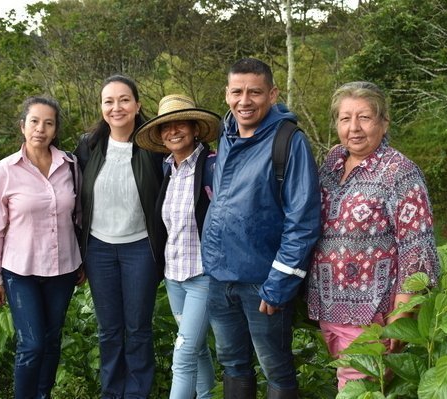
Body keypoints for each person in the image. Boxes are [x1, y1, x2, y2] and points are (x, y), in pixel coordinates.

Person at [306, 81, 440, 389]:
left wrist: (402, 317)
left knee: (357, 392)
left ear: (383, 122)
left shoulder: (400, 172)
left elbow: (417, 249)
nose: (354, 127)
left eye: (364, 117)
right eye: (345, 118)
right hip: (329, 308)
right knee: (351, 386)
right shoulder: (331, 163)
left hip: (373, 314)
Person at [200, 58, 321, 398]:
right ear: (226, 94)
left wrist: (280, 283)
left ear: (272, 93)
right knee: (233, 364)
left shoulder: (289, 140)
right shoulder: (226, 134)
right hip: (220, 279)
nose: (245, 100)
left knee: (276, 369)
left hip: (263, 281)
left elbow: (303, 220)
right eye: (237, 92)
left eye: (254, 92)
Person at [0, 95, 85, 399]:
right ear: (23, 126)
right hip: (20, 271)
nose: (41, 128)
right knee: (33, 344)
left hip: (63, 269)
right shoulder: (4, 170)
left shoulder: (70, 165)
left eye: (48, 123)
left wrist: (82, 260)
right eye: (35, 121)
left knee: (52, 341)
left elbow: (78, 217)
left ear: (55, 129)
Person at [73, 75, 164, 399]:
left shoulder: (154, 147)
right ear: (101, 107)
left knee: (138, 328)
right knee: (109, 330)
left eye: (124, 99)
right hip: (99, 250)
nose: (117, 107)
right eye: (109, 101)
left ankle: (137, 392)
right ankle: (112, 392)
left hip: (140, 248)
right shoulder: (89, 146)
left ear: (138, 105)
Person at [134, 94, 220, 399]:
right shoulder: (168, 170)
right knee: (195, 351)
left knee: (182, 355)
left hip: (203, 277)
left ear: (195, 127)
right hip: (175, 278)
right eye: (166, 126)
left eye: (180, 123)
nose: (173, 131)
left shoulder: (213, 166)